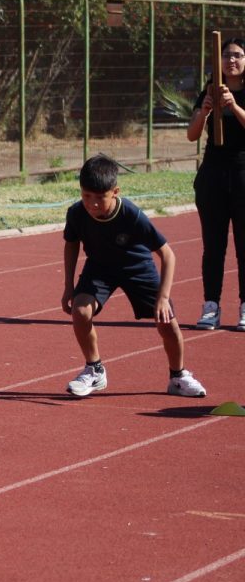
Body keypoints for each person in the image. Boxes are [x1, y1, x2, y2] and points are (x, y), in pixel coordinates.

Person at [61, 154, 206, 398]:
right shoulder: (76, 213)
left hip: (136, 266)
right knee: (80, 310)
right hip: (100, 267)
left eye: (100, 198)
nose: (92, 204)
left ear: (115, 191)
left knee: (167, 322)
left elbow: (168, 255)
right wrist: (68, 285)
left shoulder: (131, 214)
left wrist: (163, 297)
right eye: (86, 196)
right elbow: (71, 244)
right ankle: (94, 370)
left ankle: (178, 376)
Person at [187, 36, 245, 331]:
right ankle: (211, 305)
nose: (231, 60)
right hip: (213, 175)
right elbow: (192, 134)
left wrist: (233, 106)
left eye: (237, 55)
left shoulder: (240, 94)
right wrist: (207, 111)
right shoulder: (210, 90)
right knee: (213, 245)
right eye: (226, 56)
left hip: (243, 175)